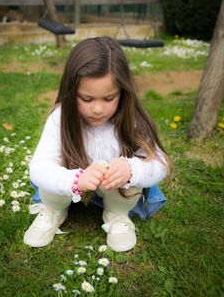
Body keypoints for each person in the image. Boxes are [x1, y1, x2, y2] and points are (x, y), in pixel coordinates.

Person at [23, 36, 171, 252]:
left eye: (109, 98)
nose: (98, 110)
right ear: (71, 91)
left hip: (115, 191)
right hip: (68, 188)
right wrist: (74, 180)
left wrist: (132, 169)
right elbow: (38, 168)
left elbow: (160, 163)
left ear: (123, 91)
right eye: (87, 99)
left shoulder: (133, 119)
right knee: (49, 178)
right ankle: (54, 210)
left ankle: (117, 215)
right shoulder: (60, 117)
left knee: (132, 173)